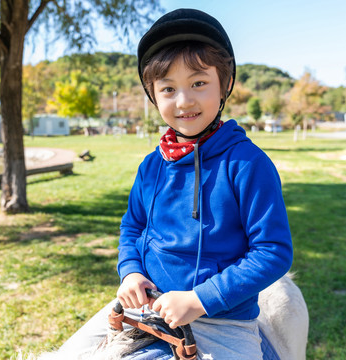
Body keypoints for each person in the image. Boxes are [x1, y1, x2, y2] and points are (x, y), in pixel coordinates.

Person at [58, 8, 293, 360]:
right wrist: (130, 272)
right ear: (153, 95)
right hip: (144, 310)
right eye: (168, 88)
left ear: (225, 83)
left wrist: (200, 299)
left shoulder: (248, 164)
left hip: (220, 321)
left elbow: (273, 251)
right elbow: (132, 226)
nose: (184, 101)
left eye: (198, 83)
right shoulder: (152, 165)